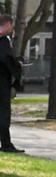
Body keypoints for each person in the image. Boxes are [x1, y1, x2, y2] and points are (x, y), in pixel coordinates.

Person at [0, 14, 25, 153]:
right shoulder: (3, 39)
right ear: (8, 24)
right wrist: (17, 67)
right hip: (1, 82)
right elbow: (5, 58)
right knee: (3, 113)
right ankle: (6, 144)